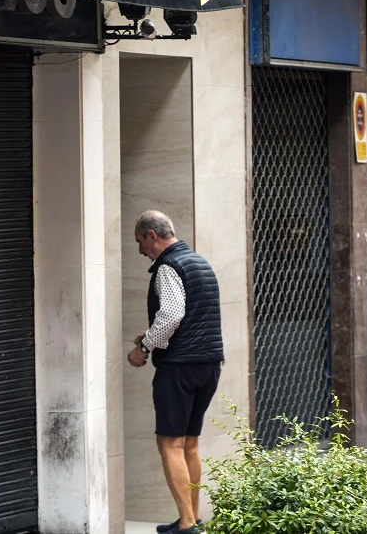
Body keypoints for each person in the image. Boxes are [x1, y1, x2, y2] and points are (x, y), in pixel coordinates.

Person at [126, 210, 224, 534]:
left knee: (170, 444)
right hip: (208, 366)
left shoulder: (169, 266)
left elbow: (171, 314)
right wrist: (151, 335)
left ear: (152, 236)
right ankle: (192, 520)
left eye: (141, 242)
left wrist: (144, 348)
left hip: (179, 368)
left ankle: (186, 524)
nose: (141, 250)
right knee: (190, 444)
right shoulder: (200, 263)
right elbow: (192, 316)